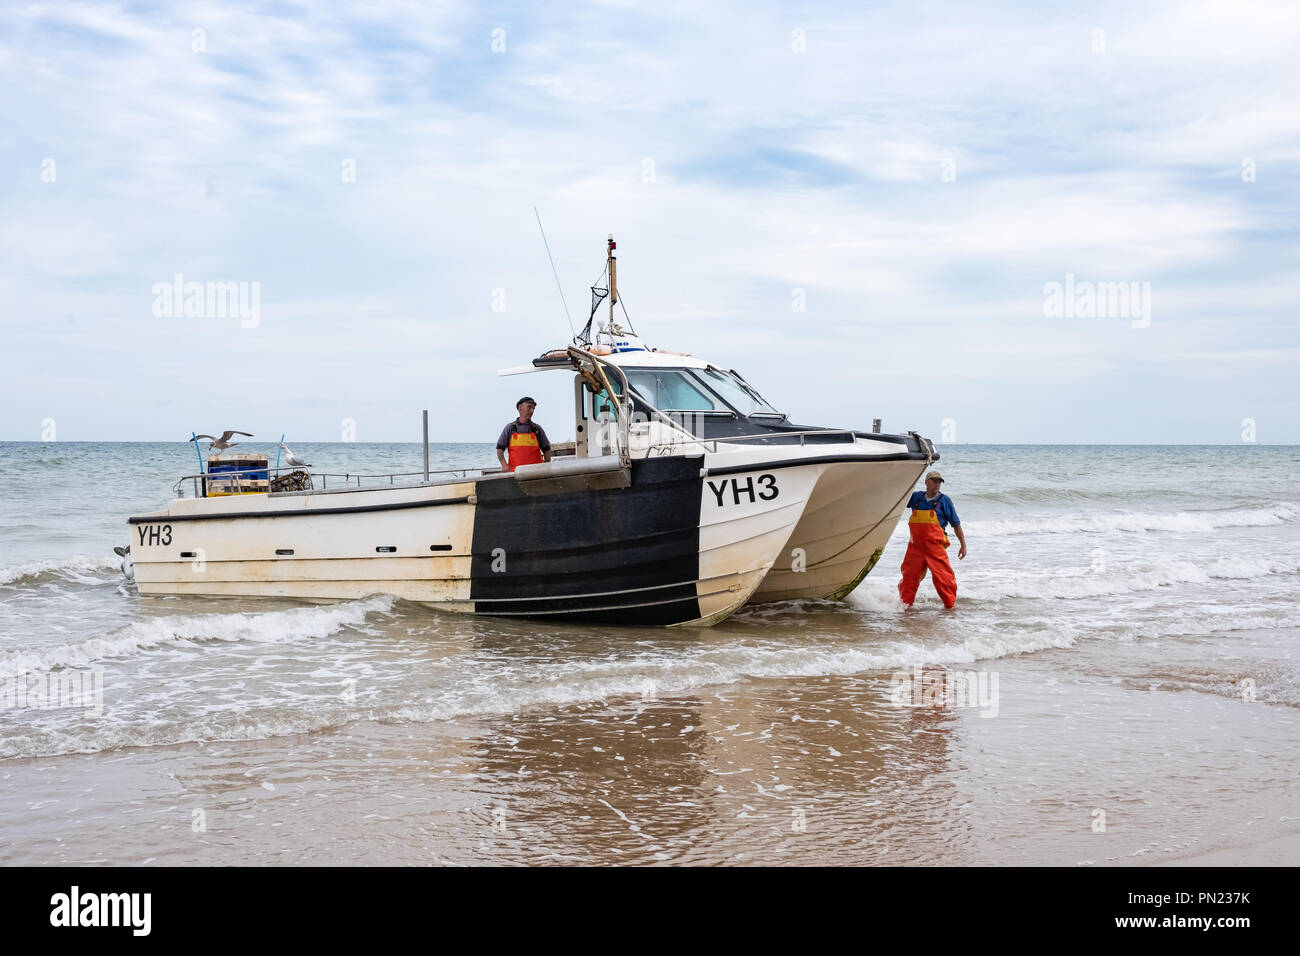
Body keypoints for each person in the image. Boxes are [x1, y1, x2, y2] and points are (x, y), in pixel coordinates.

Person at [898, 469, 967, 609]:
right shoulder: (916, 497)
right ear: (926, 482)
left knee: (944, 579)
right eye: (934, 481)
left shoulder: (945, 501)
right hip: (915, 547)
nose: (937, 485)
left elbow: (956, 524)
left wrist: (963, 545)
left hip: (935, 548)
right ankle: (905, 608)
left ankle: (950, 608)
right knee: (909, 579)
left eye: (939, 482)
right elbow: (898, 498)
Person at [496, 396, 552, 472]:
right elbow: (499, 449)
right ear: (520, 407)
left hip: (537, 473)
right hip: (515, 473)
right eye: (529, 407)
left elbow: (546, 449)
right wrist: (504, 465)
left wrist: (547, 465)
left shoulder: (537, 429)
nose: (532, 410)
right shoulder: (510, 428)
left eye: (533, 408)